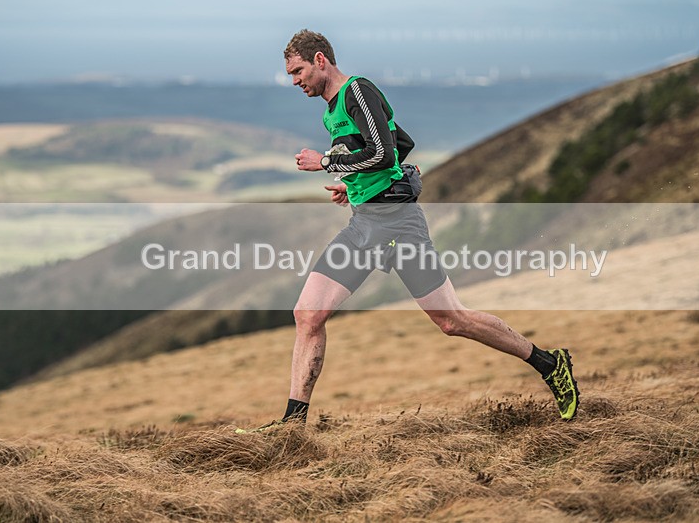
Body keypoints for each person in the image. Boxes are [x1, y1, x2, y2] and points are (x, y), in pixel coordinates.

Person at [236, 30, 578, 433]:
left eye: (297, 71)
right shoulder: (331, 109)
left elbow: (383, 150)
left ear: (320, 60)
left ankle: (549, 364)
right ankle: (292, 428)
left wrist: (326, 161)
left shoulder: (356, 92)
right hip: (365, 224)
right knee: (308, 314)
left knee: (451, 320)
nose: (294, 81)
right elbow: (402, 144)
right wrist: (354, 185)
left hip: (398, 224)